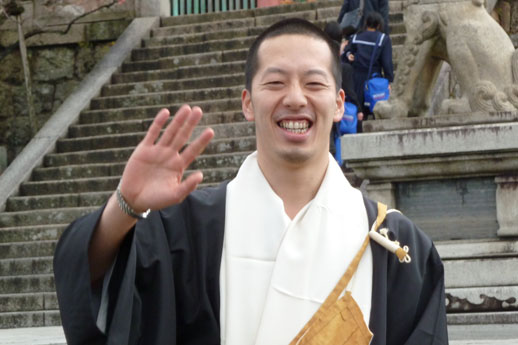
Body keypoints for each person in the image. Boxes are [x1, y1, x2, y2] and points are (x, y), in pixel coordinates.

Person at [53, 18, 448, 345]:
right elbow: (99, 294)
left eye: (314, 83)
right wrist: (124, 206)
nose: (295, 98)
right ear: (247, 102)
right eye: (275, 83)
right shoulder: (188, 230)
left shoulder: (397, 246)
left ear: (340, 102)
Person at [346, 11, 393, 127]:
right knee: (374, 108)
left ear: (366, 23)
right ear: (379, 25)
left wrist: (348, 55)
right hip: (374, 79)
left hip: (356, 79)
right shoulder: (383, 39)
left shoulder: (355, 37)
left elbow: (347, 53)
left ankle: (356, 130)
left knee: (359, 112)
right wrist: (389, 79)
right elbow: (387, 63)